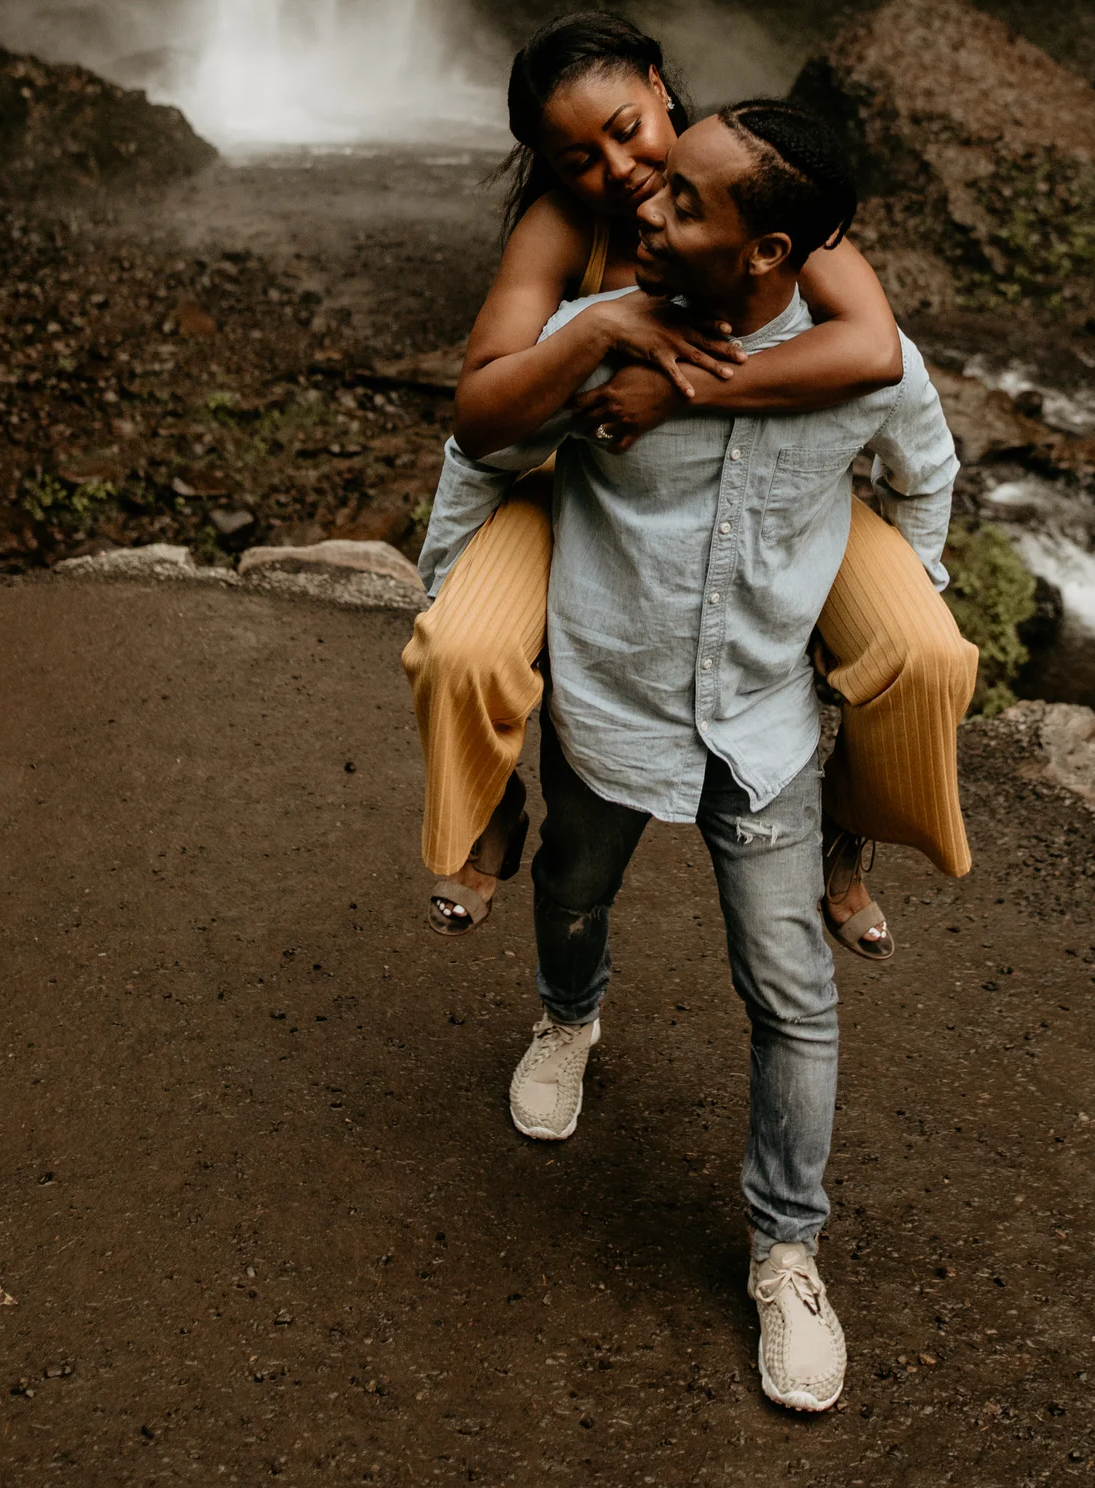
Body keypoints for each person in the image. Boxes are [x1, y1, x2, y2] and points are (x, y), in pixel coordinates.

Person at [415, 99, 968, 1413]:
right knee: (571, 890)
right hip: (614, 698)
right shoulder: (593, 335)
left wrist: (886, 605)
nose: (644, 207)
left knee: (792, 993)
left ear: (768, 251)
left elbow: (925, 471)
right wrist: (458, 611)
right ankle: (569, 1017)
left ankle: (787, 1250)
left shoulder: (865, 366)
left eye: (681, 201)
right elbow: (480, 455)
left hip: (763, 726)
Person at [401, 12, 976, 955]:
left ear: (661, 87)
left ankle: (848, 827)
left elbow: (876, 350)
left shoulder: (754, 184)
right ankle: (491, 807)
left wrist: (679, 389)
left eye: (628, 131)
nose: (620, 172)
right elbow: (482, 413)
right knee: (459, 651)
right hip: (584, 475)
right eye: (579, 160)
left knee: (928, 655)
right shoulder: (561, 228)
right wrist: (601, 328)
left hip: (778, 484)